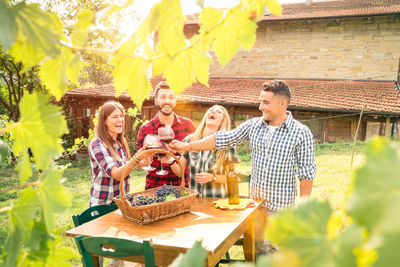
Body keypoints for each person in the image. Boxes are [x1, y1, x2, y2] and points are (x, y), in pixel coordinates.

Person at [169, 80, 316, 210]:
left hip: (282, 210)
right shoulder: (254, 126)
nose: (260, 107)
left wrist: (302, 210)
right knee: (256, 243)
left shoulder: (301, 132)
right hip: (255, 207)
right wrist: (187, 146)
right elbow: (222, 138)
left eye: (266, 102)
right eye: (260, 101)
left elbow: (306, 174)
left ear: (282, 104)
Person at [88, 101, 154, 207]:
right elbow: (118, 175)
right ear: (104, 121)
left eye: (121, 116)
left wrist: (142, 161)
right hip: (103, 206)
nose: (120, 120)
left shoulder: (120, 142)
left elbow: (126, 167)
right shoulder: (97, 144)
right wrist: (137, 158)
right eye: (115, 116)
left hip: (121, 204)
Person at [166, 105, 239, 197]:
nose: (213, 112)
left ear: (222, 122)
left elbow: (234, 178)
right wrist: (170, 160)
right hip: (195, 200)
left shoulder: (227, 145)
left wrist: (213, 177)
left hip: (217, 202)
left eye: (218, 112)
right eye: (211, 110)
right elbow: (180, 172)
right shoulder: (190, 140)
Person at [137, 81, 196, 189]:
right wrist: (143, 161)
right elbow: (139, 163)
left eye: (171, 97)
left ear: (175, 101)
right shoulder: (146, 129)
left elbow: (196, 156)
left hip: (182, 187)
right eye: (163, 97)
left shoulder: (188, 125)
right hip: (155, 187)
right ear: (156, 101)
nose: (167, 101)